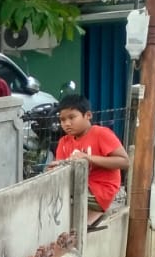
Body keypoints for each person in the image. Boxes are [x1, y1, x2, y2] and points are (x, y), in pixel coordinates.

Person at [50, 94, 128, 229]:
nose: (66, 123)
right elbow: (61, 170)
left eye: (72, 117)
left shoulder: (101, 134)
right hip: (79, 188)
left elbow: (124, 162)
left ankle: (93, 214)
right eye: (62, 120)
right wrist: (57, 167)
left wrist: (88, 158)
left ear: (88, 115)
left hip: (101, 191)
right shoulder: (64, 142)